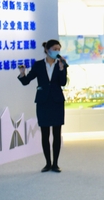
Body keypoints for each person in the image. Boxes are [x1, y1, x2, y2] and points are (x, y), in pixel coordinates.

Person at [17, 39, 68, 173]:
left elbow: (63, 83)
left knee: (57, 133)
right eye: (54, 49)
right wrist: (22, 74)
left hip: (57, 101)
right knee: (45, 134)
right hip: (43, 102)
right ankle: (47, 163)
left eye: (58, 49)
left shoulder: (61, 64)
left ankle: (55, 164)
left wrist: (62, 69)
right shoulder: (39, 65)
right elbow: (26, 81)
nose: (57, 51)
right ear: (47, 50)